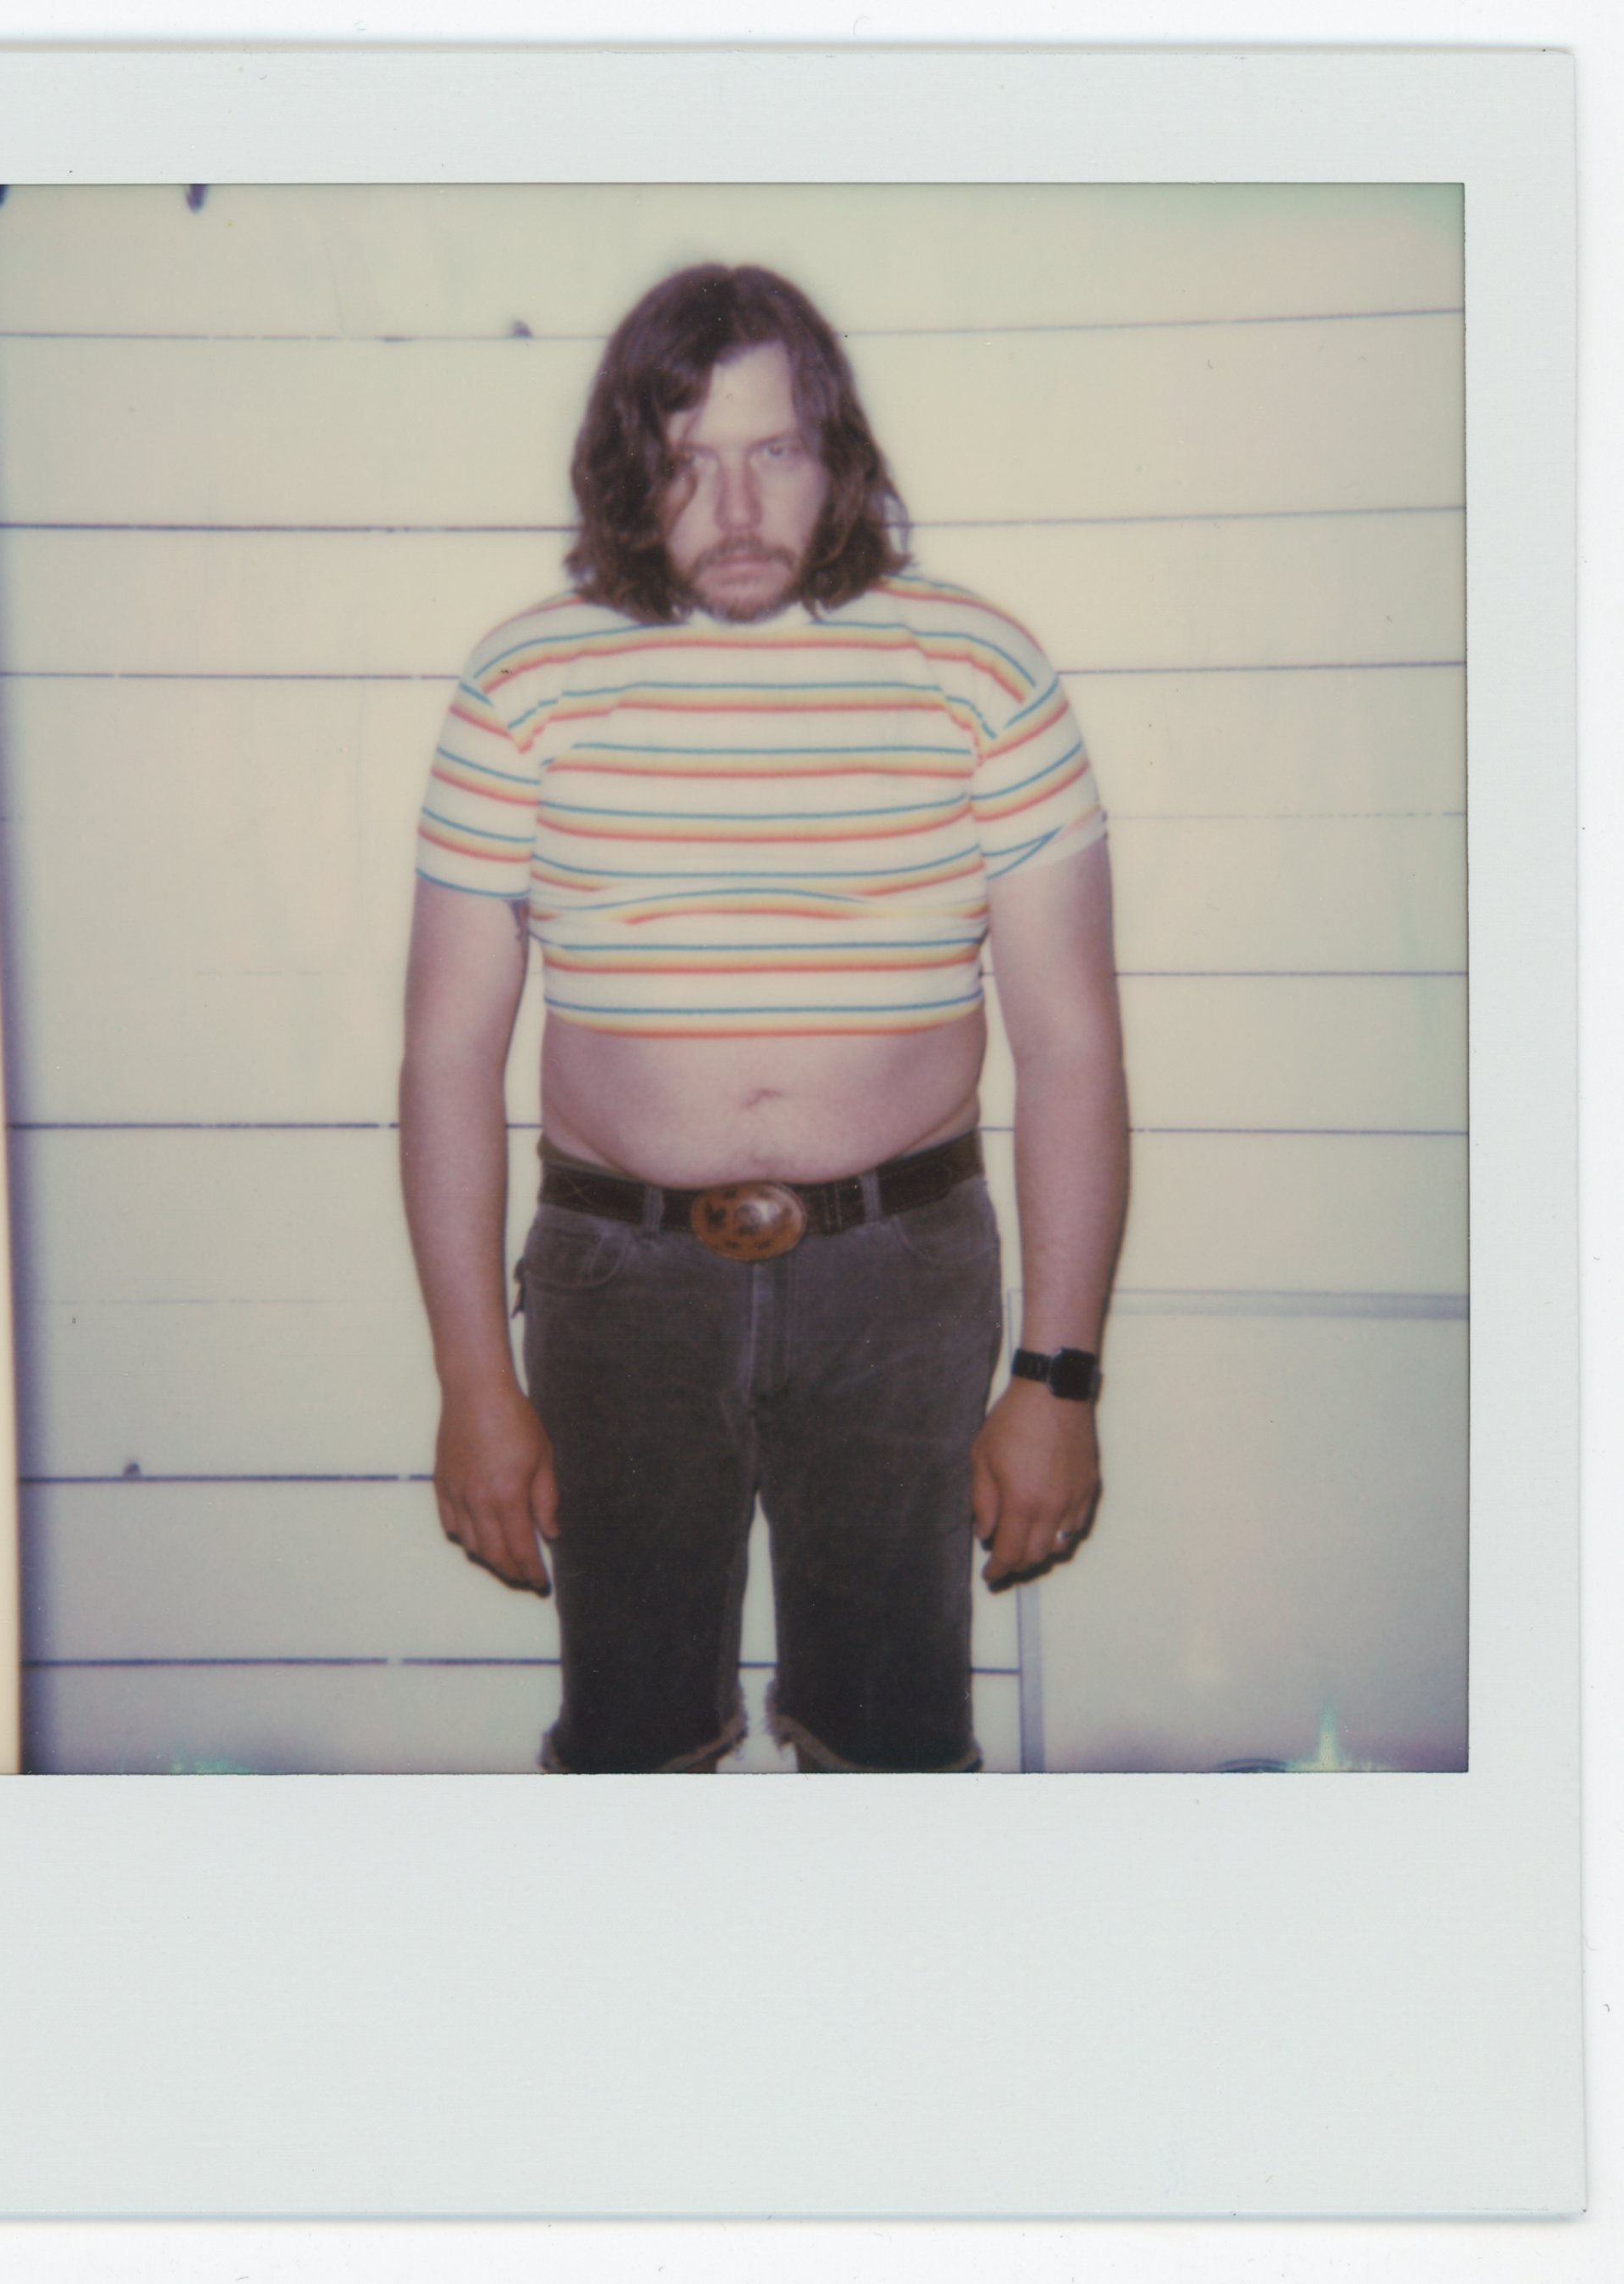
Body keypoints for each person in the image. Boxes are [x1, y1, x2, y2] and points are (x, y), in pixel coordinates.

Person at [399, 263, 1128, 1774]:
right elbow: (446, 1059)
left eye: (772, 452)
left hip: (901, 1282)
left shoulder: (980, 669)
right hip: (615, 1282)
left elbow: (1070, 1050)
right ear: (626, 467)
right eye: (683, 460)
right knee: (631, 1744)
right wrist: (475, 1380)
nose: (731, 509)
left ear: (836, 454)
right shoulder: (522, 681)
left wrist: (1056, 1379)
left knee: (891, 1745)